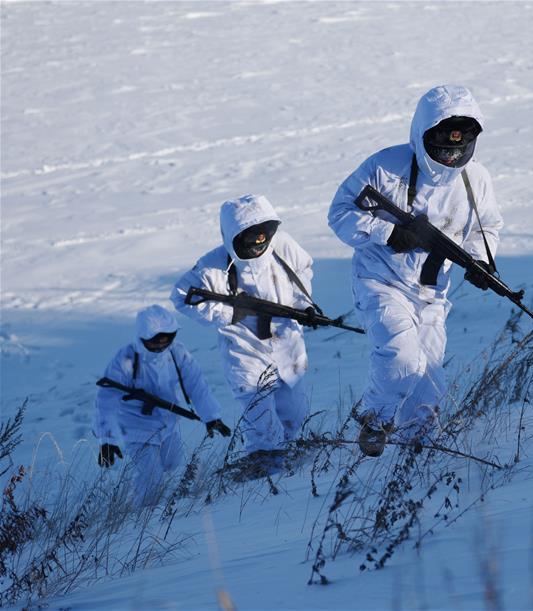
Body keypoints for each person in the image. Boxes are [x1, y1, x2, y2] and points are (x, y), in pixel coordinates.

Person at [328, 84, 503, 457]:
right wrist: (389, 232)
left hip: (433, 294)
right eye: (444, 142)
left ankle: (417, 454)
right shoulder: (383, 166)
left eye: (461, 143)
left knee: (429, 384)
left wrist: (480, 261)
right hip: (381, 282)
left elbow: (486, 226)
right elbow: (340, 213)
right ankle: (373, 417)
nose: (453, 152)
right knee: (402, 355)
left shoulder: (477, 179)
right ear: (423, 133)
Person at [171, 194, 315, 470]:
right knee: (259, 411)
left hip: (287, 341)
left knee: (295, 411)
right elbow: (181, 296)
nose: (260, 241)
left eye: (264, 234)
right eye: (252, 237)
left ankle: (294, 463)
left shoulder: (283, 246)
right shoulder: (214, 265)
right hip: (244, 349)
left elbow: (304, 270)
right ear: (235, 236)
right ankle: (264, 466)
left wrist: (303, 304)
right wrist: (230, 313)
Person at [94, 305, 229, 507]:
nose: (161, 345)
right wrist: (107, 438)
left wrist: (211, 416)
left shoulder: (177, 354)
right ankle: (143, 515)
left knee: (172, 464)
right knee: (151, 476)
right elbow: (106, 399)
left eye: (166, 339)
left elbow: (196, 384)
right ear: (142, 337)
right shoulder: (126, 359)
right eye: (155, 341)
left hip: (168, 423)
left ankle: (164, 503)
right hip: (135, 426)